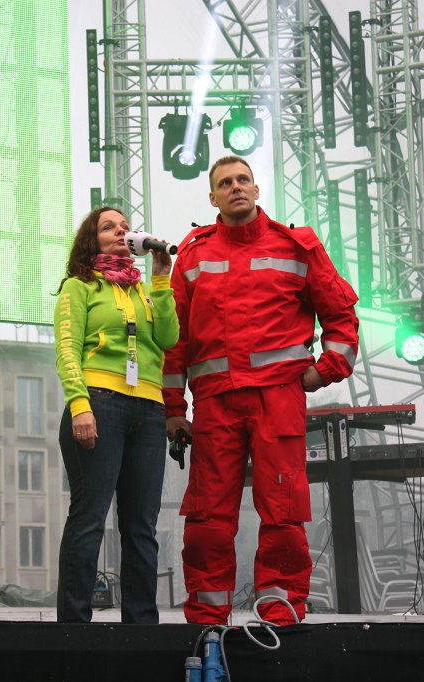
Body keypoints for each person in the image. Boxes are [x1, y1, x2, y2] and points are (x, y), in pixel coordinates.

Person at [163, 156, 360, 625]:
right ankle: (207, 616)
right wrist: (173, 408)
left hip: (278, 400)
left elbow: (342, 318)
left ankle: (281, 605)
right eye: (224, 183)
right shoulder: (192, 255)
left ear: (256, 188)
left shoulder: (296, 247)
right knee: (208, 516)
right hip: (215, 403)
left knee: (282, 511)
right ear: (212, 198)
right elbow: (174, 341)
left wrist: (323, 371)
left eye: (242, 180)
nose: (235, 188)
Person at [53, 206, 179, 624]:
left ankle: (142, 626)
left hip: (148, 409)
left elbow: (169, 337)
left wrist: (162, 280)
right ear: (93, 239)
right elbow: (67, 349)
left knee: (141, 525)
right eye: (110, 227)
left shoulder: (144, 289)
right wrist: (80, 406)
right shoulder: (79, 286)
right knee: (89, 519)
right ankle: (74, 625)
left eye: (126, 227)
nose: (121, 232)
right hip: (99, 403)